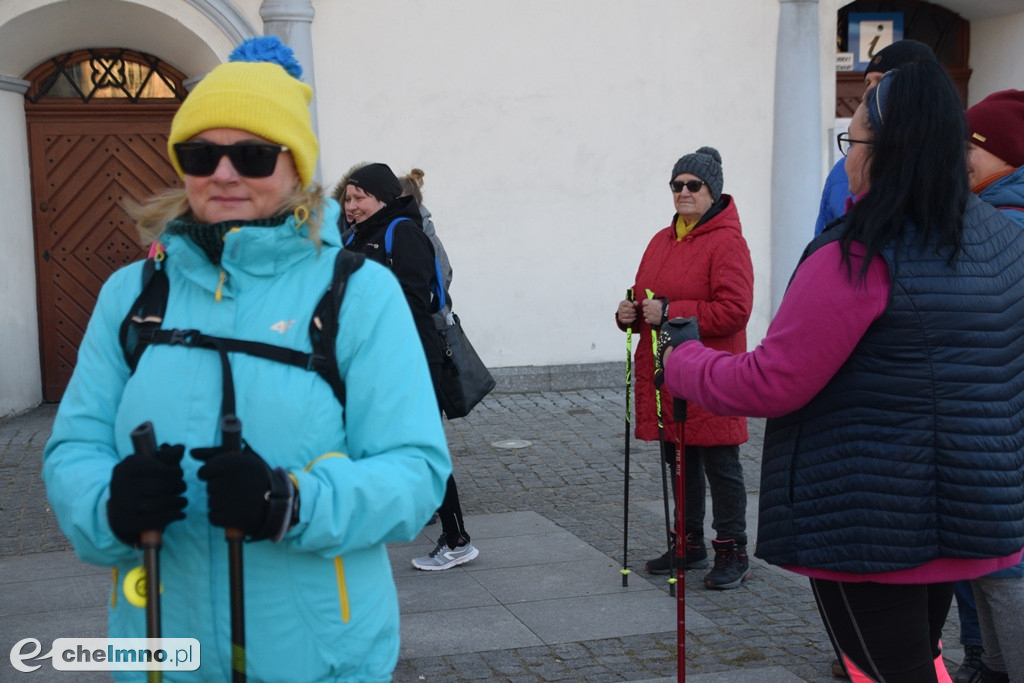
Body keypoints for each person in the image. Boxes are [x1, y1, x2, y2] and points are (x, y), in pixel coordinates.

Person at [41, 37, 450, 682]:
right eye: (200, 154)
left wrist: (293, 503)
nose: (223, 174)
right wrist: (107, 504)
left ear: (297, 168)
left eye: (253, 155)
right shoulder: (132, 293)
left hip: (314, 658)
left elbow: (416, 470)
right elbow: (74, 448)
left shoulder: (355, 291)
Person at [658, 61, 1024, 682]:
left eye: (852, 142)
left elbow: (772, 380)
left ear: (887, 151)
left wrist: (684, 361)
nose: (847, 159)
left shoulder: (857, 253)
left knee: (883, 670)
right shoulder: (1000, 237)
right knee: (916, 660)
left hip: (871, 522)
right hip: (966, 508)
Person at [614, 146, 754, 590]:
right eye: (677, 186)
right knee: (679, 456)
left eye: (694, 185)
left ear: (713, 191)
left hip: (714, 373)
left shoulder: (727, 241)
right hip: (668, 372)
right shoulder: (662, 238)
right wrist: (628, 313)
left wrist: (670, 309)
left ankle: (732, 549)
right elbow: (645, 294)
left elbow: (735, 311)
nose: (684, 192)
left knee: (720, 462)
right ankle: (687, 542)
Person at [337, 162, 479, 571]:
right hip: (374, 357)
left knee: (422, 445)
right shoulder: (359, 237)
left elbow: (416, 301)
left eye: (359, 197)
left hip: (412, 355)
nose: (351, 206)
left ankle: (457, 540)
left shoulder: (403, 232)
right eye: (348, 198)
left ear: (381, 196)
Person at [961, 88, 1024, 683]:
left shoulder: (1006, 227)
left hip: (1003, 425)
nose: (959, 157)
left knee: (1006, 571)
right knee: (989, 568)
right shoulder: (988, 216)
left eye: (971, 147)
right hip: (992, 422)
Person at [814, 39, 938, 236]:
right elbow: (823, 237)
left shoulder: (945, 162)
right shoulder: (842, 170)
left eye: (880, 81)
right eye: (867, 82)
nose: (867, 92)